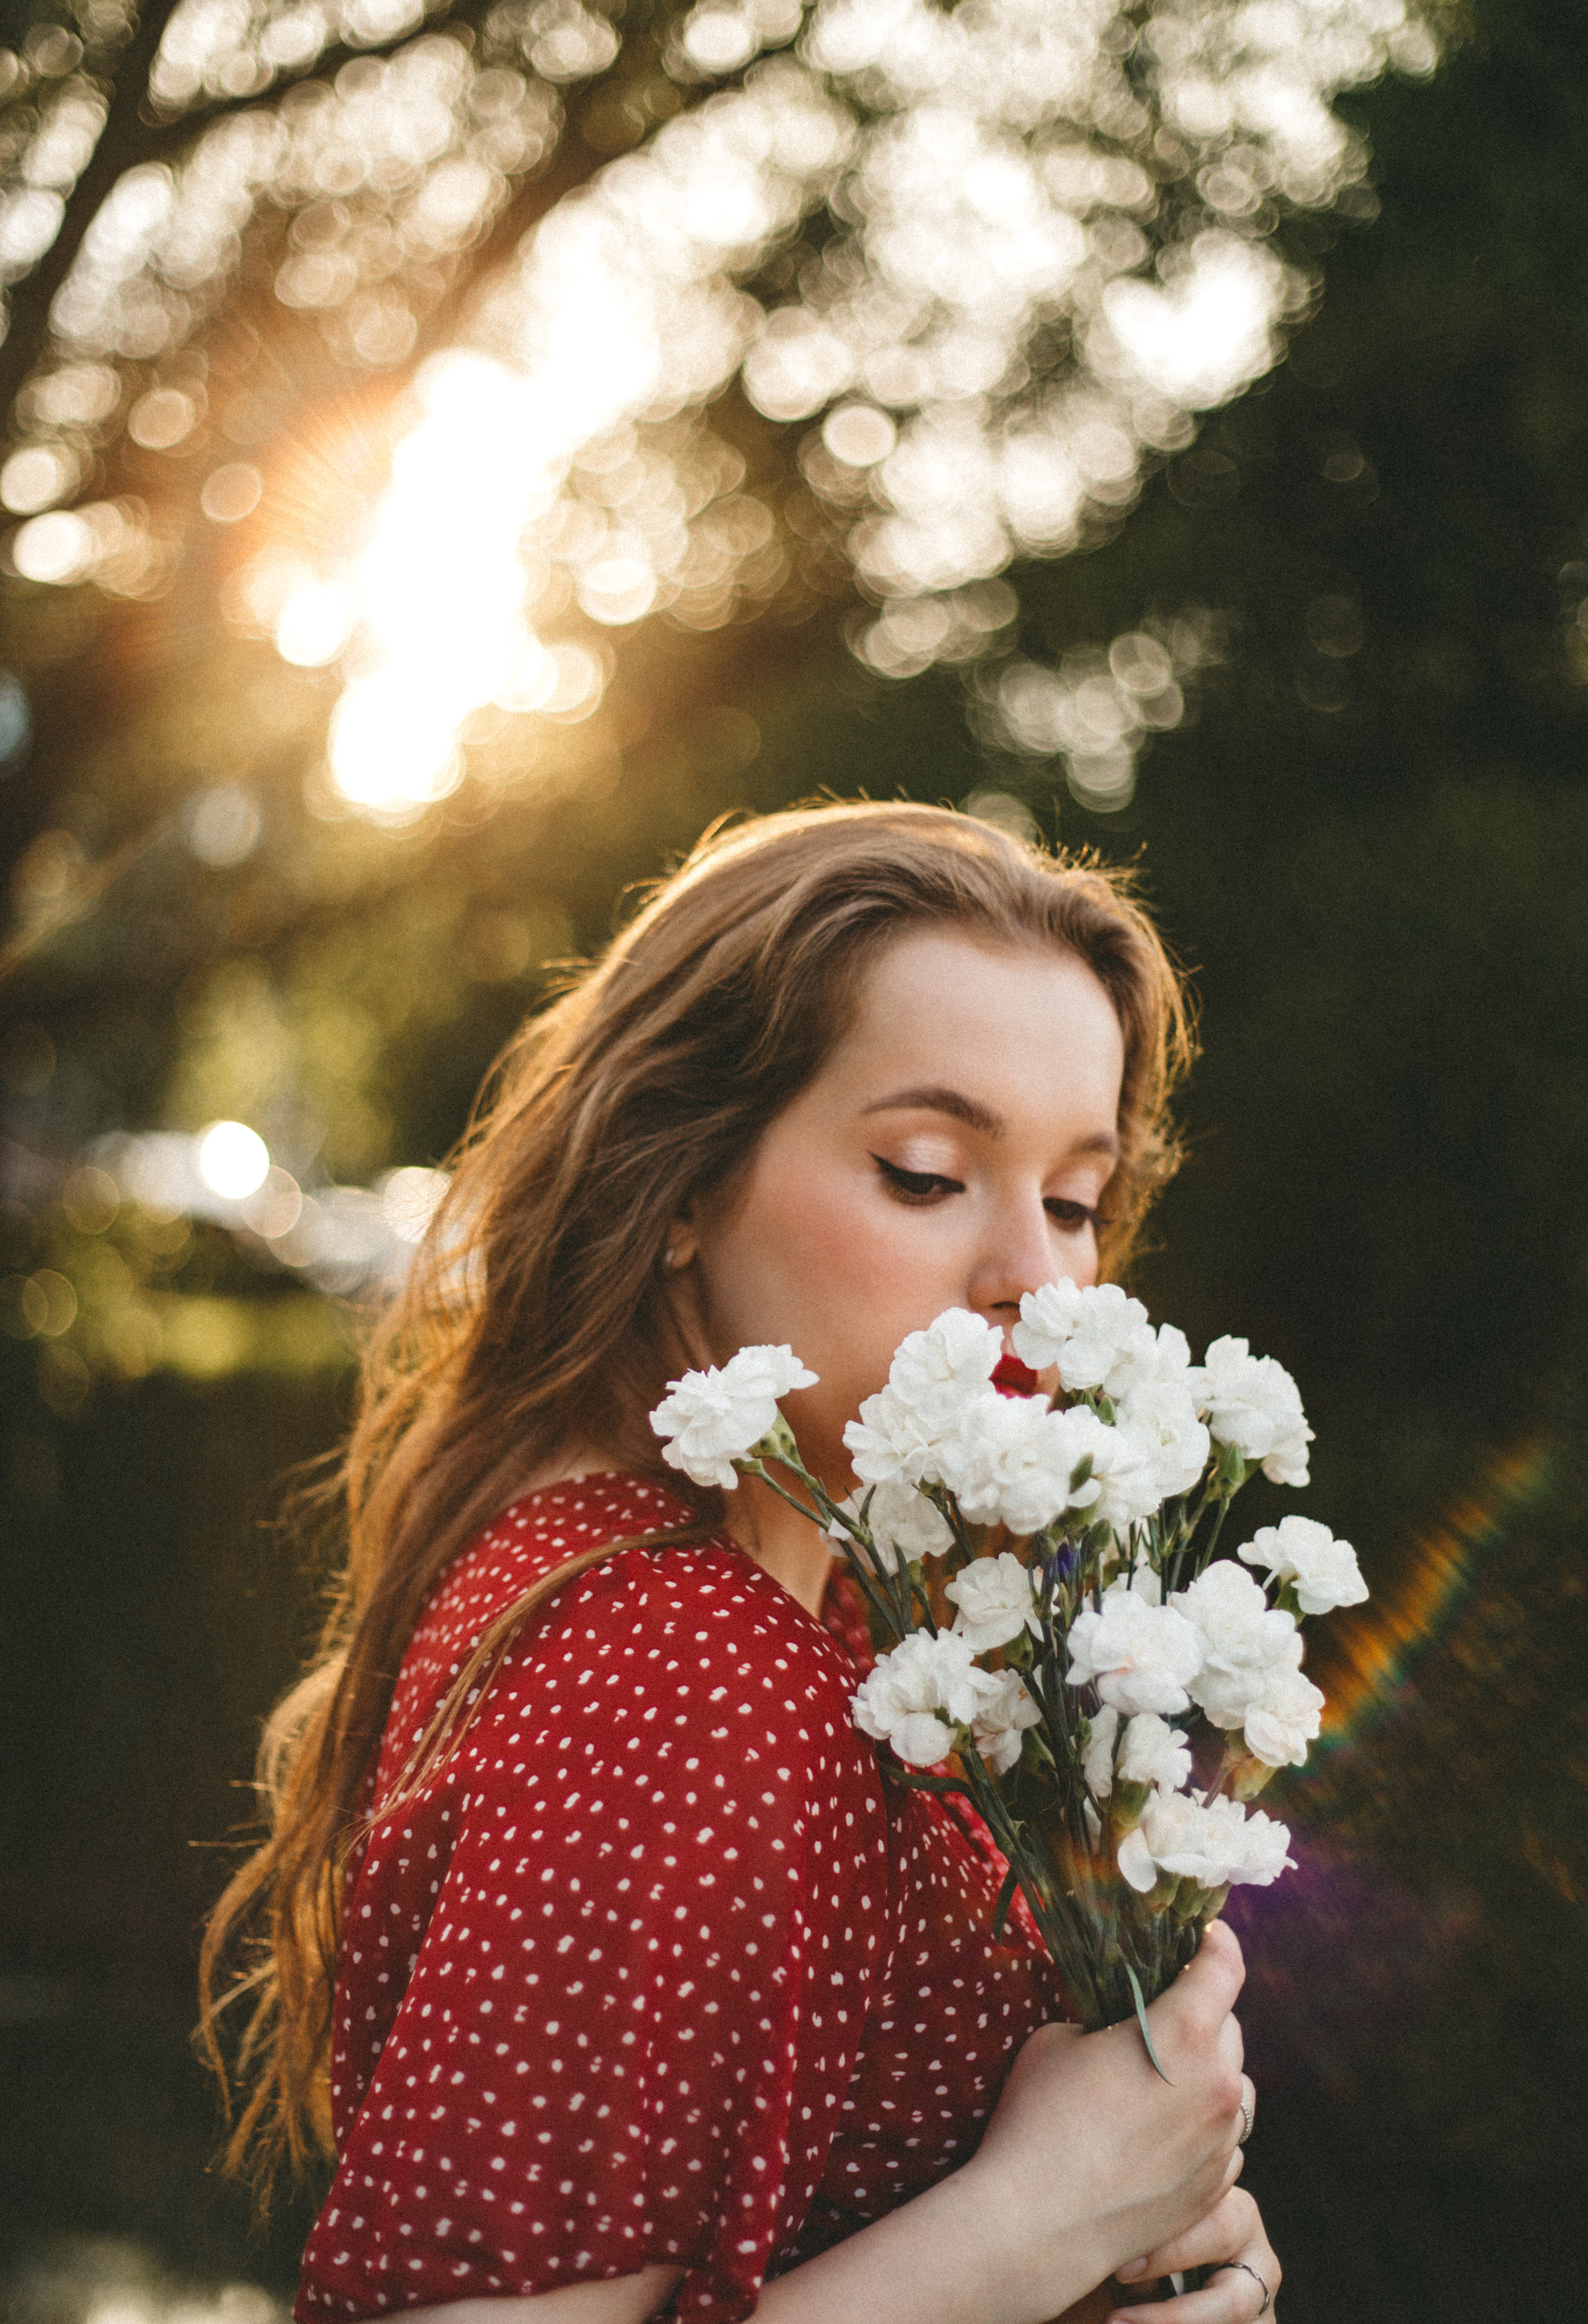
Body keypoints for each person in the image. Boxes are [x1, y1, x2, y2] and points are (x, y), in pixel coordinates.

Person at [202, 801, 1282, 2324]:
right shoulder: (678, 1670)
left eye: (1073, 1201)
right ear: (682, 1186)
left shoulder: (838, 1605)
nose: (1033, 1281)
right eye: (923, 1171)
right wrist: (1039, 2217)